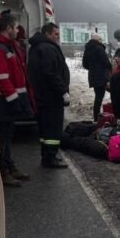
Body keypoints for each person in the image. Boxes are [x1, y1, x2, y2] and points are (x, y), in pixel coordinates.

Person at [0, 13, 33, 187]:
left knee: (7, 136)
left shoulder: (9, 47)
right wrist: (13, 99)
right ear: (8, 28)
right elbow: (1, 79)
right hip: (2, 102)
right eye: (15, 27)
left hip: (8, 101)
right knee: (2, 139)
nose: (18, 30)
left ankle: (10, 166)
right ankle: (2, 172)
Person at [28, 22, 70, 168]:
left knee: (45, 128)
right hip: (51, 97)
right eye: (55, 34)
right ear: (47, 33)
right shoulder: (47, 48)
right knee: (53, 128)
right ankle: (50, 156)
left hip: (43, 96)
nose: (57, 37)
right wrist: (62, 91)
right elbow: (51, 73)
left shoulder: (37, 47)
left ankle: (47, 155)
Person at [83, 33, 112, 121]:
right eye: (100, 40)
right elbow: (106, 62)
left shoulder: (87, 49)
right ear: (98, 40)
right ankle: (110, 116)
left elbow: (85, 64)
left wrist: (93, 69)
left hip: (93, 77)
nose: (101, 41)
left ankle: (96, 118)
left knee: (98, 98)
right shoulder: (99, 48)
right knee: (113, 93)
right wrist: (111, 68)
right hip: (103, 77)